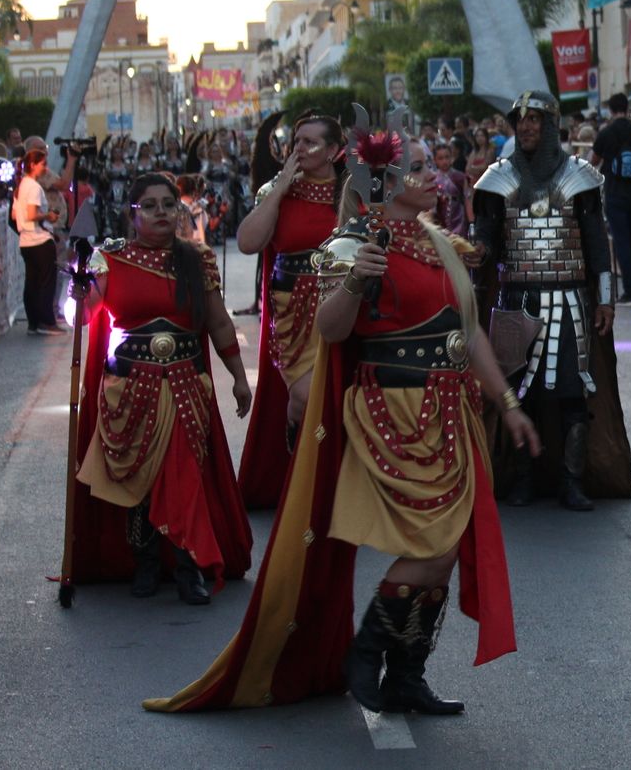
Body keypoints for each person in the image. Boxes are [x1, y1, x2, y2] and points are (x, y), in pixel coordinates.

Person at [145, 136, 541, 714]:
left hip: (450, 412)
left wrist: (506, 401)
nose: (435, 175)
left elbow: (470, 331)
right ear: (382, 184)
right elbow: (330, 331)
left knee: (448, 548)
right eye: (418, 168)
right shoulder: (352, 243)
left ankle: (405, 676)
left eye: (432, 165)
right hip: (394, 411)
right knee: (433, 546)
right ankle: (367, 647)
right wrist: (356, 279)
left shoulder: (439, 243)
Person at [68, 174, 253, 604]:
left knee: (184, 474)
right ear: (132, 215)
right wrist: (79, 290)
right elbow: (82, 317)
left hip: (185, 384)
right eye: (149, 206)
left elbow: (218, 322)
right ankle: (146, 563)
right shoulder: (109, 261)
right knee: (139, 476)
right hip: (128, 387)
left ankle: (189, 568)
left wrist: (239, 378)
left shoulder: (197, 259)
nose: (161, 213)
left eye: (168, 205)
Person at [471, 89, 631, 511]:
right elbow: (488, 240)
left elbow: (598, 243)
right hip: (515, 297)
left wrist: (605, 299)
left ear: (550, 127)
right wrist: (477, 252)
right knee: (518, 393)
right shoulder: (498, 178)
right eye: (520, 120)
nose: (526, 127)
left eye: (535, 120)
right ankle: (524, 478)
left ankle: (571, 480)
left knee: (570, 393)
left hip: (568, 297)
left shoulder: (578, 176)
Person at [234, 112, 345, 508]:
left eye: (311, 142)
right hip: (292, 311)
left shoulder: (351, 193)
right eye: (296, 140)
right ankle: (304, 479)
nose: (300, 147)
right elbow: (248, 242)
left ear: (334, 151)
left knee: (339, 398)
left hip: (342, 304)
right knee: (301, 397)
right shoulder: (277, 192)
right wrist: (280, 188)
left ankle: (331, 484)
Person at [589, 92, 631, 309]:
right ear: (626, 107)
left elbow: (593, 161)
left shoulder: (606, 133)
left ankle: (630, 291)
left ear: (611, 110)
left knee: (621, 241)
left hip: (614, 191)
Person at [14, 148, 64, 335]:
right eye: (43, 164)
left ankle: (33, 322)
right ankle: (46, 321)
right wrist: (49, 216)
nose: (46, 168)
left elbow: (15, 214)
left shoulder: (21, 186)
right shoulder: (34, 187)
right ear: (33, 165)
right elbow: (32, 214)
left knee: (32, 283)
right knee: (45, 282)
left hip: (26, 241)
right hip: (39, 240)